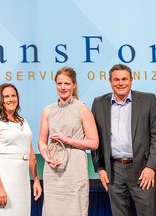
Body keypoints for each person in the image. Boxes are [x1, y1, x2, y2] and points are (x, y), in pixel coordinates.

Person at [91, 63, 156, 216]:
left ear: (131, 80)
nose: (120, 83)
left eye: (124, 79)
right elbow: (94, 137)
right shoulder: (99, 103)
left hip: (143, 171)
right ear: (110, 82)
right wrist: (100, 168)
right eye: (116, 80)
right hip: (114, 172)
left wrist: (151, 167)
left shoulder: (148, 100)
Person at [38, 66, 99, 216]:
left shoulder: (82, 109)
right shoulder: (48, 110)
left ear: (74, 85)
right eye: (59, 84)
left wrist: (68, 140)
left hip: (75, 166)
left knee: (75, 208)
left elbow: (94, 143)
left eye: (66, 83)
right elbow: (41, 142)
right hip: (53, 168)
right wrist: (47, 157)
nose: (63, 87)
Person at [0, 83, 42, 216]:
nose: (11, 99)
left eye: (13, 95)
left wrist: (36, 179)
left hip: (22, 180)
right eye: (6, 96)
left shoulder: (23, 121)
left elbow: (31, 154)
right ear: (0, 100)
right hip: (3, 178)